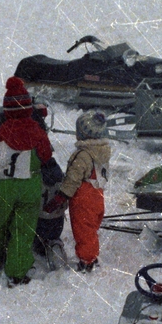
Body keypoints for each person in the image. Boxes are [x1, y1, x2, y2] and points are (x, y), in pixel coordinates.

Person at [0, 77, 53, 286]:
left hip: (4, 188)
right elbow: (46, 156)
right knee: (23, 229)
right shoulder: (37, 132)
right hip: (29, 187)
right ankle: (17, 271)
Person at [44, 110, 111, 271]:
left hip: (83, 197)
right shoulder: (102, 151)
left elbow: (73, 178)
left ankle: (87, 261)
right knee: (91, 229)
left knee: (83, 231)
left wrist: (62, 196)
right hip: (97, 195)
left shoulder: (83, 155)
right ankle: (91, 256)